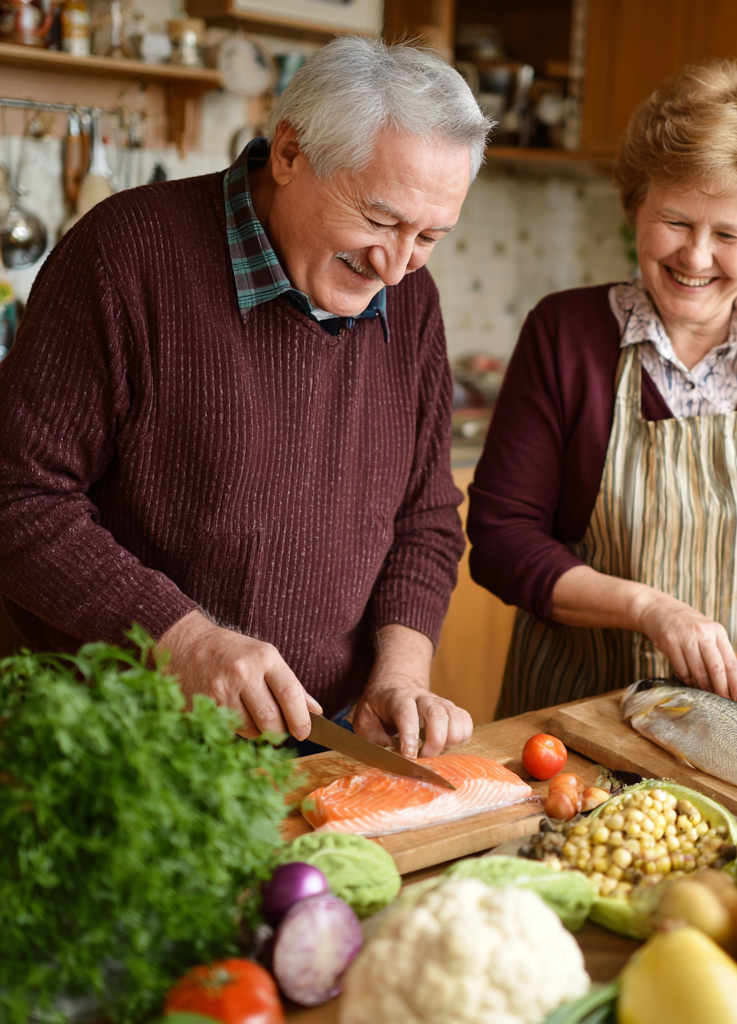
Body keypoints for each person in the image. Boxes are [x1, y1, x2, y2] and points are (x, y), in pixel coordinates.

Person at [0, 37, 492, 757]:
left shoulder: (410, 299)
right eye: (381, 221)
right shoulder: (124, 255)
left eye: (429, 236)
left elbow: (424, 514)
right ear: (290, 153)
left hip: (323, 738)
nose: (393, 268)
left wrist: (401, 673)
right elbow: (18, 494)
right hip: (109, 746)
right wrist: (184, 640)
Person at [468, 61, 737, 719]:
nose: (694, 257)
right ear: (636, 204)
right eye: (676, 221)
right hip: (579, 721)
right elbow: (501, 538)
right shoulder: (565, 333)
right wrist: (648, 609)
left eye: (726, 235)